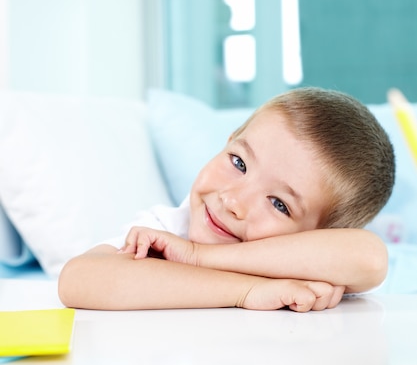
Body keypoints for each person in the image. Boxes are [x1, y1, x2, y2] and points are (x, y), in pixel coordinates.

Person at [58, 87, 395, 313]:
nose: (234, 201)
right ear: (229, 141)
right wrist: (245, 291)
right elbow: (78, 279)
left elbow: (372, 259)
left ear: (320, 235)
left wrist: (198, 257)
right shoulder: (169, 230)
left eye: (279, 204)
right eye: (239, 163)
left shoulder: (312, 262)